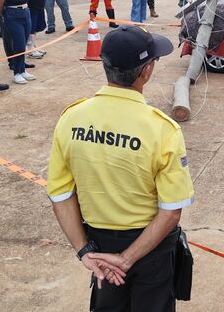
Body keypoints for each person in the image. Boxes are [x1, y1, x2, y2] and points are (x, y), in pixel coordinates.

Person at [47, 26, 195, 312]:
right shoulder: (162, 129)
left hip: (99, 245)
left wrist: (85, 251)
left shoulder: (71, 118)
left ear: (105, 66)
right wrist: (127, 259)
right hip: (149, 248)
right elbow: (171, 210)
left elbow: (60, 196)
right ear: (147, 71)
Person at [0, 0, 36, 85]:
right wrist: (5, 16)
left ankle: (23, 70)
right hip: (13, 15)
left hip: (25, 14)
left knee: (23, 44)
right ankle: (17, 73)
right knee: (18, 45)